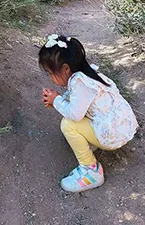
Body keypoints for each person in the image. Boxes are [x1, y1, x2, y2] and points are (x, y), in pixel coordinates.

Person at [39, 34, 138, 193]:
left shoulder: (80, 83)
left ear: (65, 68)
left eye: (51, 73)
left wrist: (56, 100)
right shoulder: (87, 74)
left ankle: (91, 171)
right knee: (76, 118)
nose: (50, 78)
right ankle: (89, 142)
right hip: (121, 126)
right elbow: (79, 100)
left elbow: (75, 114)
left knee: (68, 125)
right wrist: (56, 100)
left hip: (113, 135)